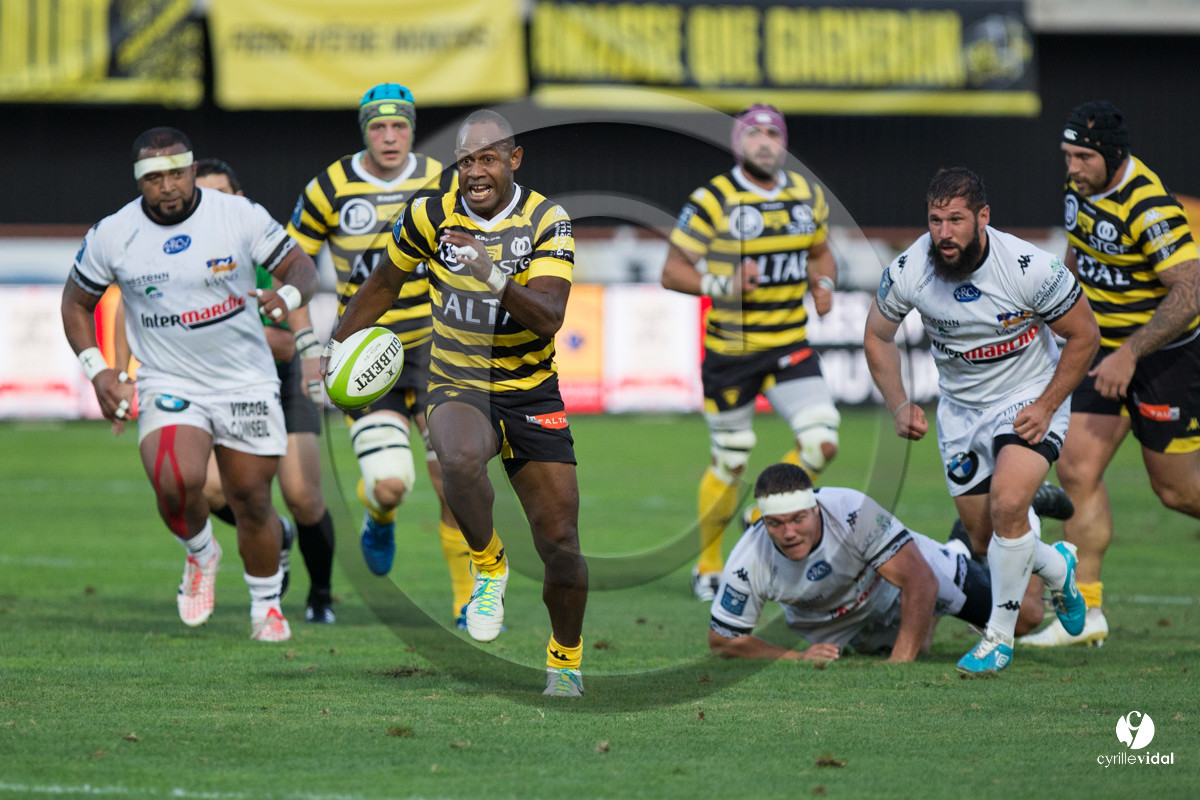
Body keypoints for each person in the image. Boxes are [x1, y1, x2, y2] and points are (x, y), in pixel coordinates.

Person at [323, 110, 588, 697]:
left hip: (530, 389)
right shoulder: (428, 214)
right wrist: (337, 344)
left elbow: (548, 317)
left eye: (488, 159)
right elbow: (384, 283)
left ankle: (565, 661)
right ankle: (488, 564)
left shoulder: (548, 220)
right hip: (457, 380)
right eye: (466, 161)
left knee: (561, 545)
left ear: (514, 159)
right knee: (458, 459)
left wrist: (491, 273)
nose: (475, 172)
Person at [61, 126, 318, 641]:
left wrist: (287, 298)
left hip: (245, 380)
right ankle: (201, 553)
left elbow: (300, 267)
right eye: (154, 178)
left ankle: (266, 606)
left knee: (251, 499)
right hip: (169, 378)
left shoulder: (237, 215)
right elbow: (76, 302)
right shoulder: (113, 233)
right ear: (138, 181)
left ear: (192, 169)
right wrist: (99, 370)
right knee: (174, 481)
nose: (168, 186)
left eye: (177, 173)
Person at [863, 167, 1097, 674]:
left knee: (1009, 503)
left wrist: (1046, 404)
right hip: (960, 411)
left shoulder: (1029, 267)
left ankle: (998, 638)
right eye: (935, 221)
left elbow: (1086, 335)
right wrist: (899, 403)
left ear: (983, 217)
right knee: (986, 539)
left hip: (1028, 397)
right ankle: (1058, 566)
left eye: (956, 220)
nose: (943, 233)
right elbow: (877, 335)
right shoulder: (910, 269)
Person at [287, 83, 475, 626]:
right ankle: (380, 513)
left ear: (412, 130)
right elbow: (291, 268)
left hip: (438, 349)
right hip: (365, 352)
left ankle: (468, 602)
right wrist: (307, 346)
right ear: (364, 131)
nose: (389, 137)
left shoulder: (444, 180)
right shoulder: (330, 186)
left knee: (456, 479)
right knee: (392, 483)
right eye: (378, 126)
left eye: (399, 126)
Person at [1020, 102, 1200, 648]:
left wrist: (1133, 353)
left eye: (1082, 157)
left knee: (1177, 492)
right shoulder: (1081, 188)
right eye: (1067, 155)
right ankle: (1088, 612)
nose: (1072, 167)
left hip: (1164, 357)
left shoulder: (1147, 204)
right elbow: (1080, 249)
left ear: (1112, 155)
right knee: (1076, 468)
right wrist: (1056, 307)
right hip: (1101, 350)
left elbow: (1190, 291)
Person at [661, 105, 842, 603]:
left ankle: (760, 514)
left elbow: (821, 253)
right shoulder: (713, 199)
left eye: (772, 134)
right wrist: (725, 284)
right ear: (738, 143)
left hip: (789, 343)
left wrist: (824, 283)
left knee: (823, 442)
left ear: (783, 143)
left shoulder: (806, 195)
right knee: (731, 460)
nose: (764, 141)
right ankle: (708, 565)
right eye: (754, 133)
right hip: (731, 352)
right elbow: (672, 270)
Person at [193, 158, 338, 624]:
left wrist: (216, 332)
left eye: (221, 194)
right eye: (203, 196)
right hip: (225, 386)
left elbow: (283, 343)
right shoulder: (182, 254)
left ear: (238, 198)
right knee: (210, 490)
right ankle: (278, 534)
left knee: (302, 495)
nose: (212, 205)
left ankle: (320, 596)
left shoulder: (262, 243)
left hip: (281, 381)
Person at [709, 464, 994, 663]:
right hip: (844, 625)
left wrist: (898, 664)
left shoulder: (853, 512)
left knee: (1017, 622)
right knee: (921, 646)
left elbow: (920, 580)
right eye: (775, 524)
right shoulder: (748, 559)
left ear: (815, 509)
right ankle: (937, 597)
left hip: (899, 584)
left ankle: (971, 541)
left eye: (798, 519)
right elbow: (723, 640)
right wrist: (798, 656)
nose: (789, 533)